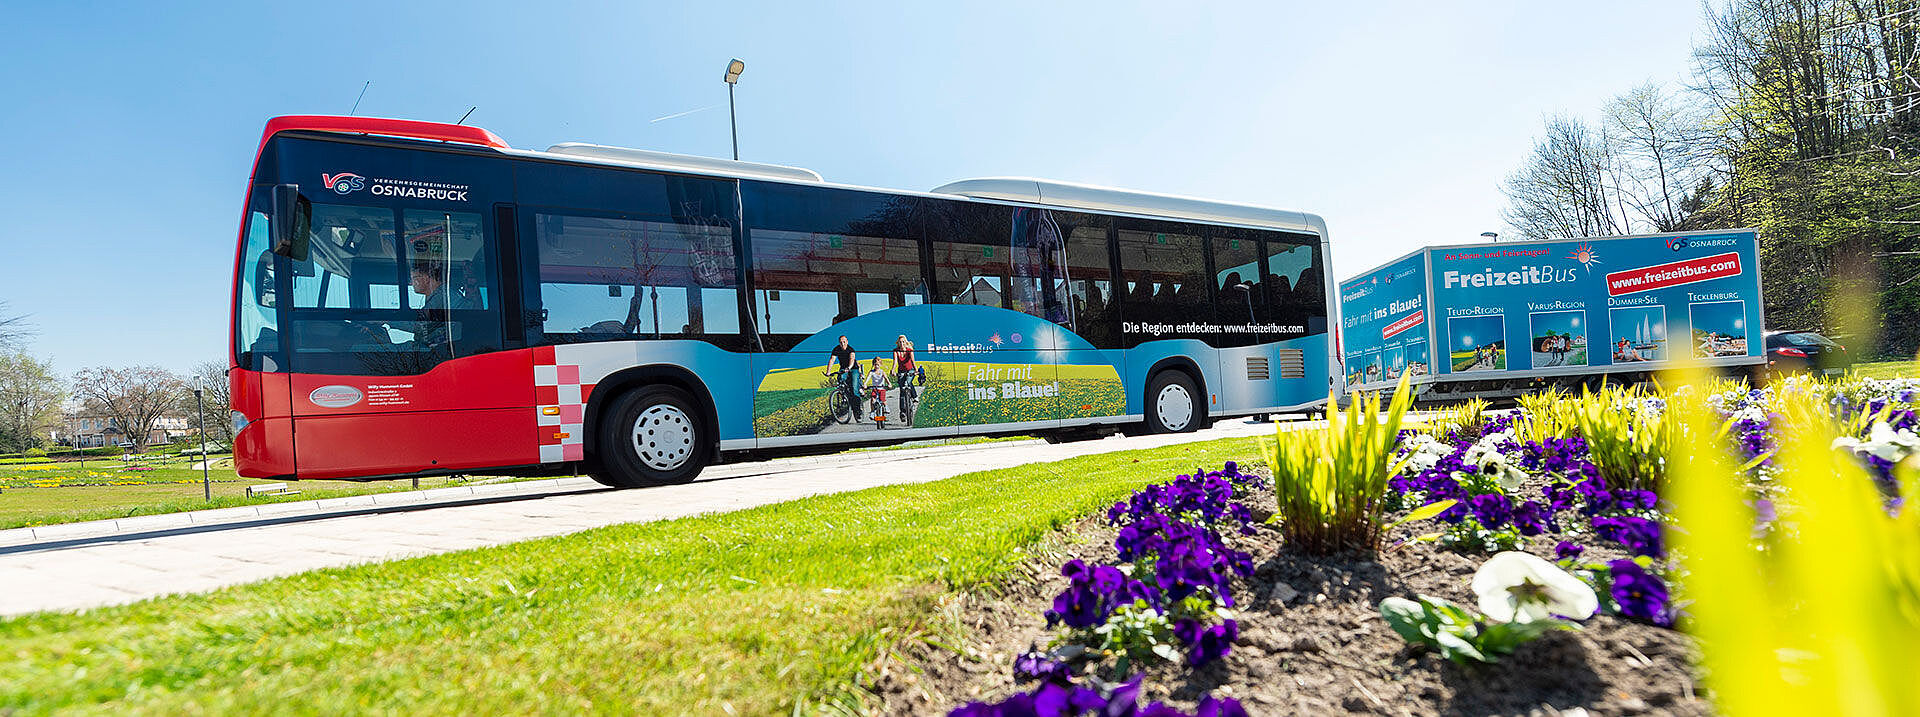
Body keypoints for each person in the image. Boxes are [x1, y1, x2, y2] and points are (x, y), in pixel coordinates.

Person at [827, 335, 862, 420]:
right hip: (843, 368)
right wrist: (828, 371)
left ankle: (857, 411)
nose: (842, 343)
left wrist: (849, 367)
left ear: (847, 341)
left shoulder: (851, 349)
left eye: (844, 341)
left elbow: (852, 359)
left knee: (854, 389)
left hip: (853, 368)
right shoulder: (836, 349)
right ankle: (844, 395)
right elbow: (832, 359)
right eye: (841, 342)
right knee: (840, 379)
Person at [867, 359, 889, 424]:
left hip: (881, 388)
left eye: (878, 365)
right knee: (872, 399)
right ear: (873, 365)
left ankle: (886, 407)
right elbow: (868, 378)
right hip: (875, 389)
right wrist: (865, 384)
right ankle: (872, 412)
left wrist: (889, 384)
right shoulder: (871, 372)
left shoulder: (882, 372)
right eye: (875, 365)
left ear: (880, 365)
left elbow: (886, 379)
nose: (876, 366)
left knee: (882, 399)